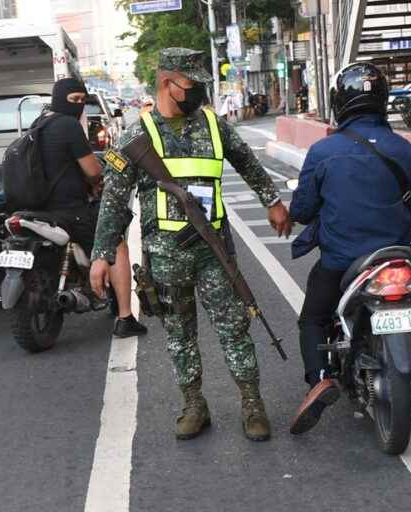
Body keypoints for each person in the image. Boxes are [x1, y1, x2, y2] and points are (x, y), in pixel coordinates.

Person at [89, 48, 292, 441]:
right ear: (168, 82)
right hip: (166, 259)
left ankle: (252, 404)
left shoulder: (214, 127)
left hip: (214, 251)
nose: (198, 92)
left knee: (234, 328)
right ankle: (194, 405)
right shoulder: (135, 136)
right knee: (180, 336)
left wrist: (271, 201)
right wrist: (101, 255)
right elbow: (114, 202)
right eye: (192, 84)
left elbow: (248, 163)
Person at [288, 62, 411, 435]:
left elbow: (303, 210)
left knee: (313, 317)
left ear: (340, 102)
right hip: (395, 257)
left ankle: (321, 380)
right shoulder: (403, 148)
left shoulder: (323, 151)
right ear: (382, 101)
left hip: (344, 262)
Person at [39, 78, 146, 338]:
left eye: (80, 100)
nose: (77, 106)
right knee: (115, 242)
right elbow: (93, 171)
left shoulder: (39, 124)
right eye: (72, 100)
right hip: (70, 210)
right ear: (58, 99)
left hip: (42, 210)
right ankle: (124, 316)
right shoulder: (69, 126)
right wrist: (99, 178)